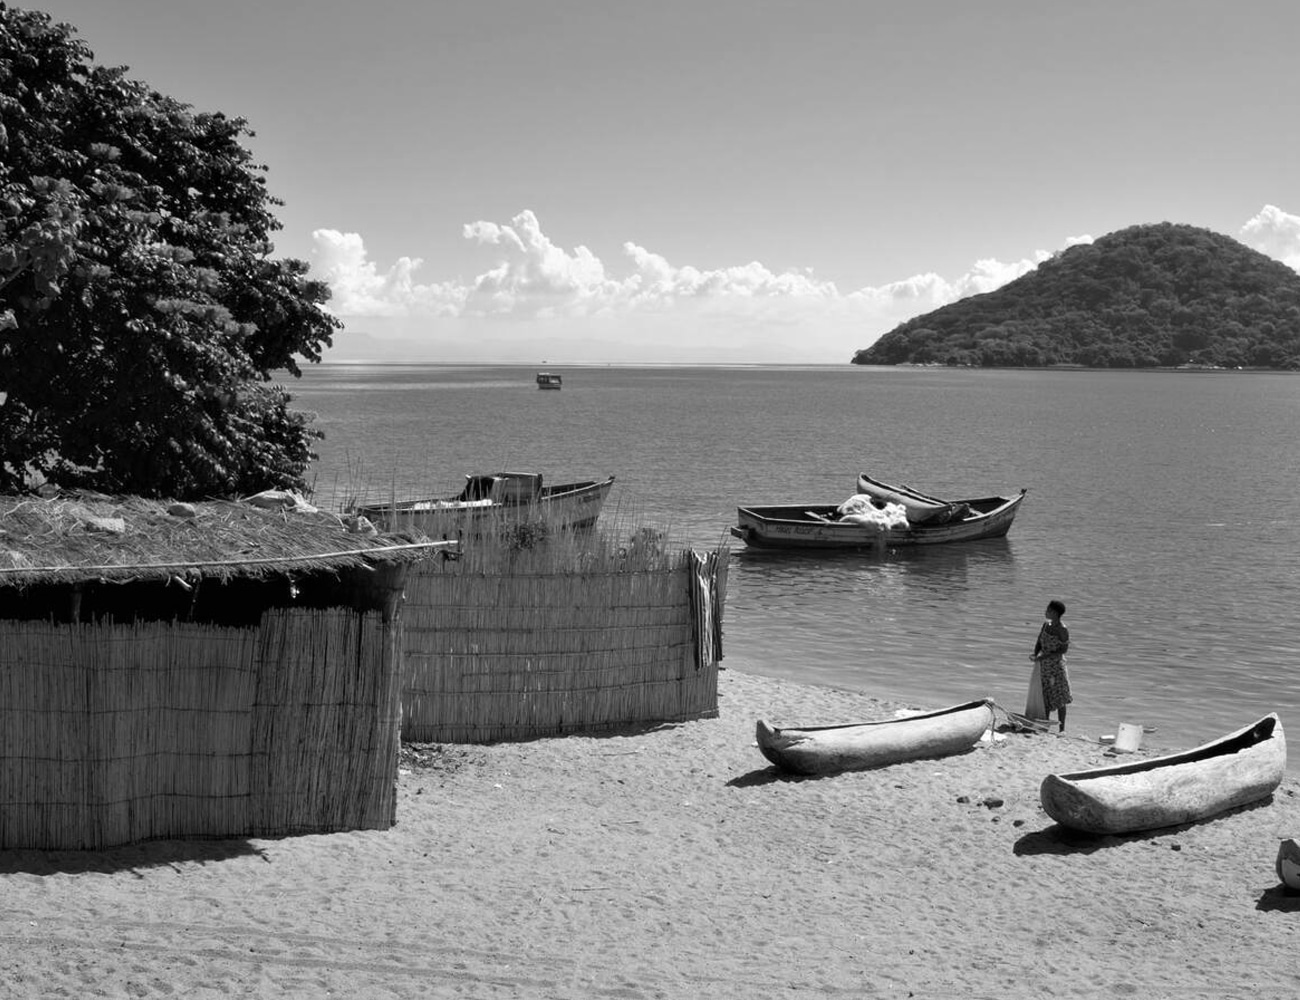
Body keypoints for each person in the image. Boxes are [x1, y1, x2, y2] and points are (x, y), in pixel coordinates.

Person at [1028, 599, 1071, 731]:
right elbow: (1039, 641)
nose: (1046, 612)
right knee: (1044, 695)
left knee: (1060, 697)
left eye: (1048, 610)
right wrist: (1035, 654)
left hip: (1056, 666)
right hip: (1044, 666)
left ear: (1055, 613)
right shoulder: (1046, 625)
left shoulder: (1062, 629)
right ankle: (1044, 725)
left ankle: (1062, 729)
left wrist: (1045, 656)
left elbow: (1064, 650)